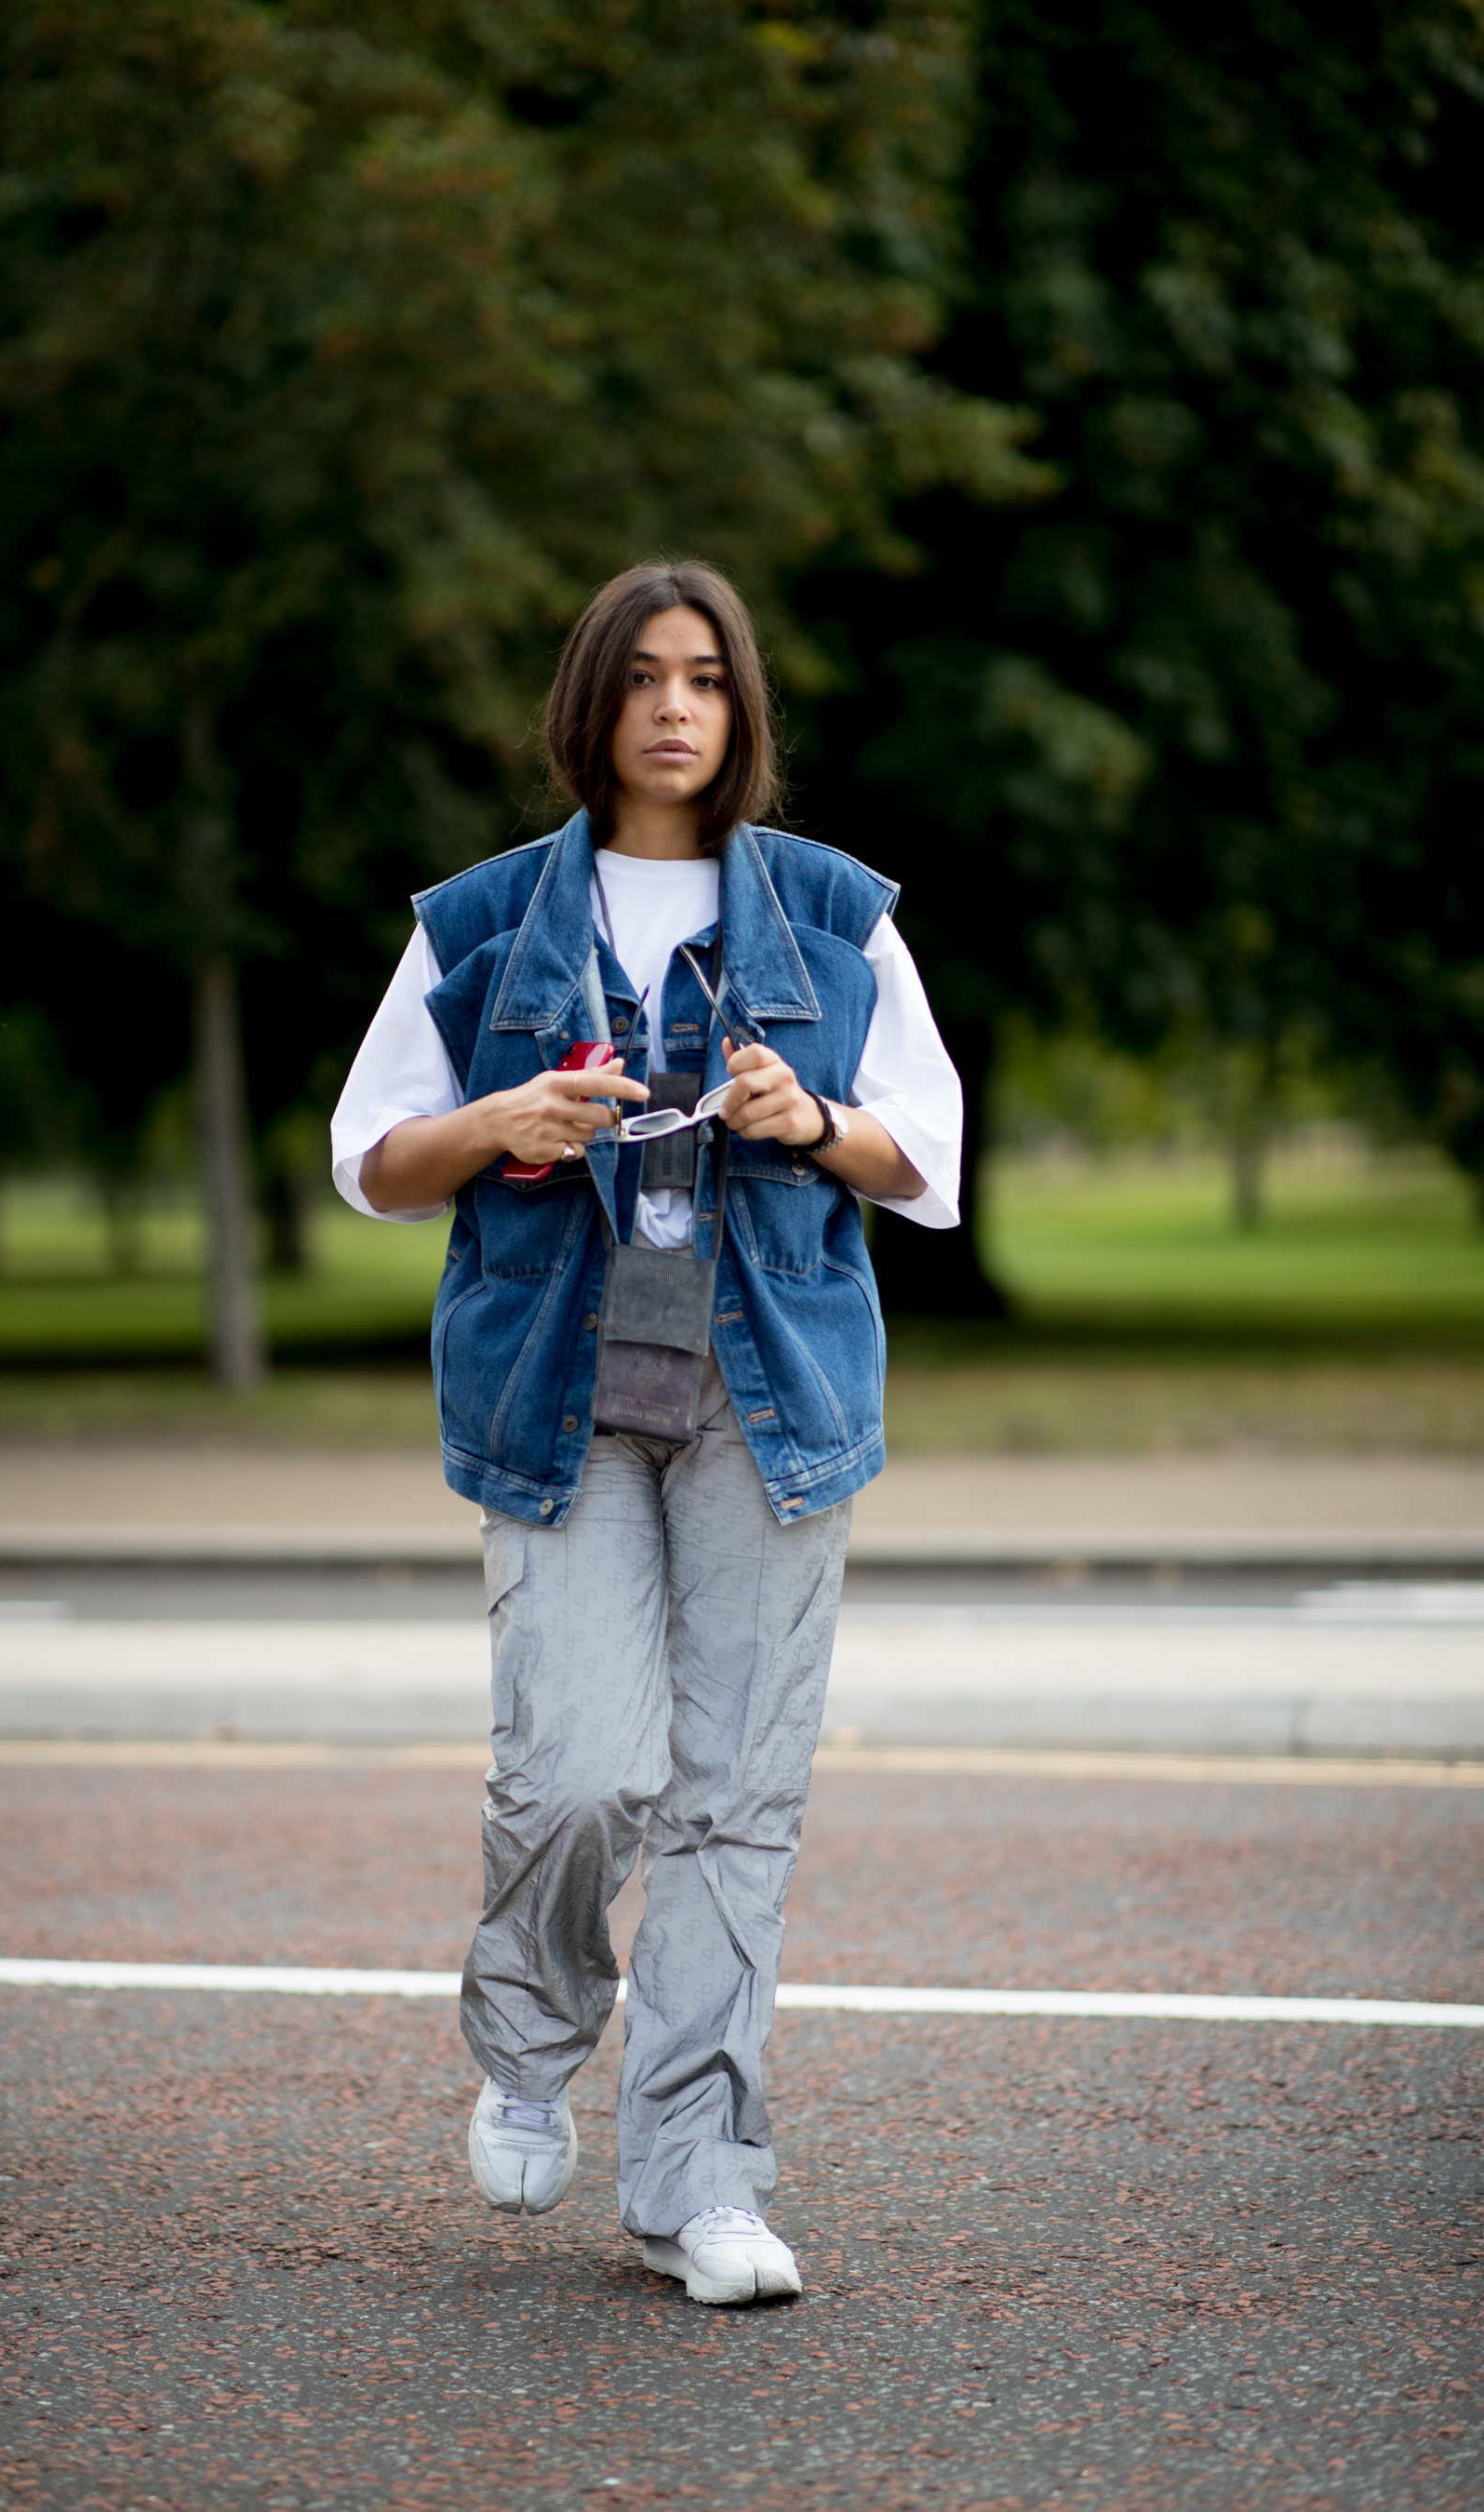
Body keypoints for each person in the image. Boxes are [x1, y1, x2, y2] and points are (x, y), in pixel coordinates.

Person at [331, 559, 960, 2306]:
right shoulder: (479, 925)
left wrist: (816, 1114)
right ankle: (530, 2042)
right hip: (560, 1405)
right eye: (643, 678)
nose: (676, 707)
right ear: (591, 705)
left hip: (770, 1407)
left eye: (706, 679)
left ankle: (701, 2185)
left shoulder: (835, 916)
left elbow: (929, 1153)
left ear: (741, 711)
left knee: (736, 1803)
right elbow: (370, 1161)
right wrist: (499, 1116)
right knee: (583, 1767)